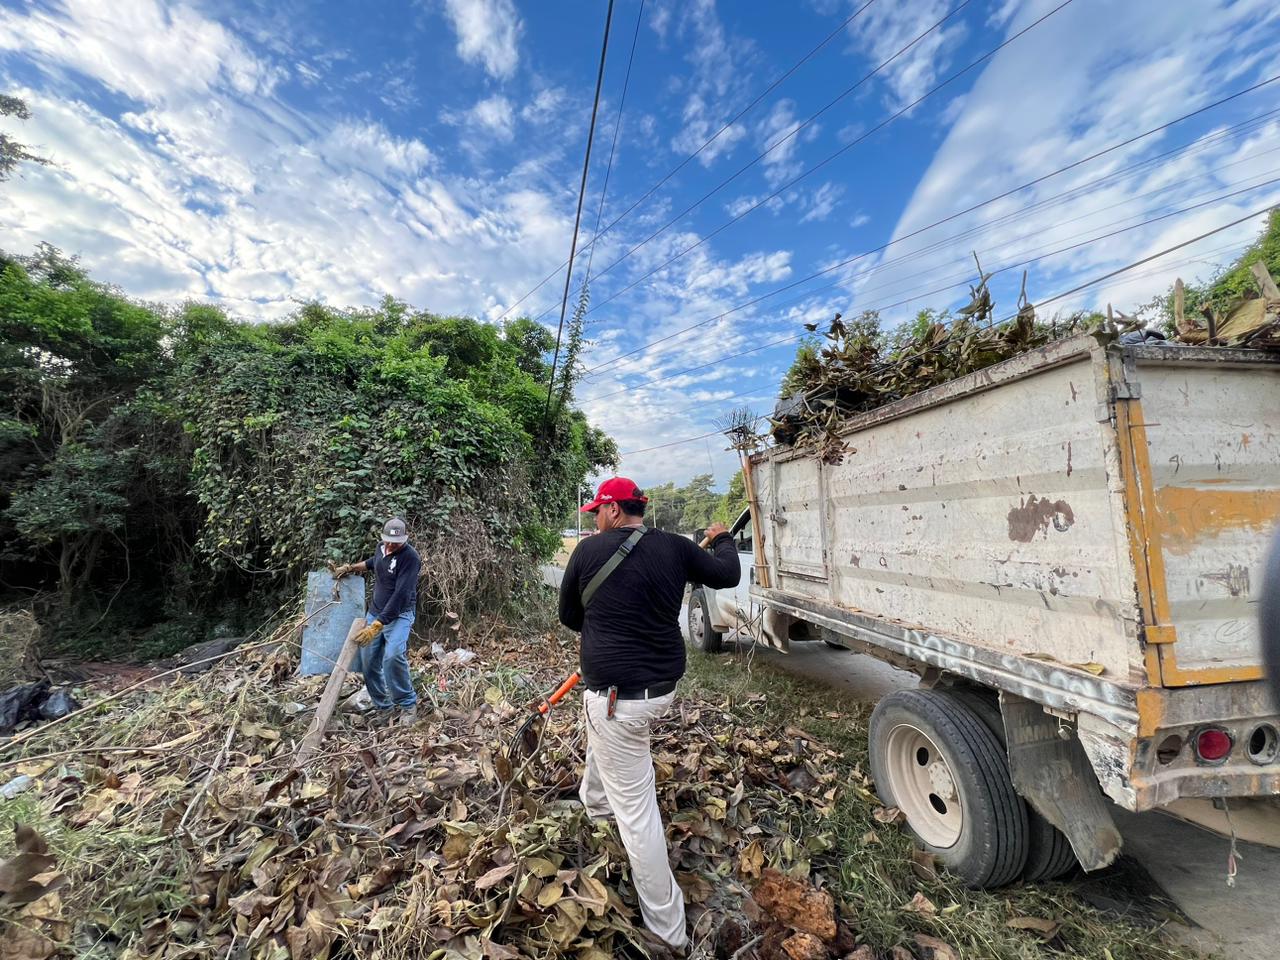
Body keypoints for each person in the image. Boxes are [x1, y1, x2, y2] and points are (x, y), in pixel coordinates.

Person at [558, 477, 741, 950]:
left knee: (638, 814)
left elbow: (569, 617)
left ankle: (668, 929)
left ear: (616, 511)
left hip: (619, 699)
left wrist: (604, 618)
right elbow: (727, 573)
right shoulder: (677, 548)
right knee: (602, 728)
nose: (595, 519)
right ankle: (595, 802)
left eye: (598, 511)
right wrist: (722, 537)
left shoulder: (588, 554)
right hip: (658, 692)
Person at [333, 517, 421, 726]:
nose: (390, 546)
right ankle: (384, 707)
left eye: (396, 543)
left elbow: (401, 595)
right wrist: (351, 568)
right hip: (375, 612)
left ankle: (408, 704)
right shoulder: (381, 547)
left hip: (399, 615)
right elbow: (374, 563)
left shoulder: (410, 558)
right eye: (388, 541)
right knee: (369, 663)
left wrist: (377, 624)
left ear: (404, 539)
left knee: (393, 656)